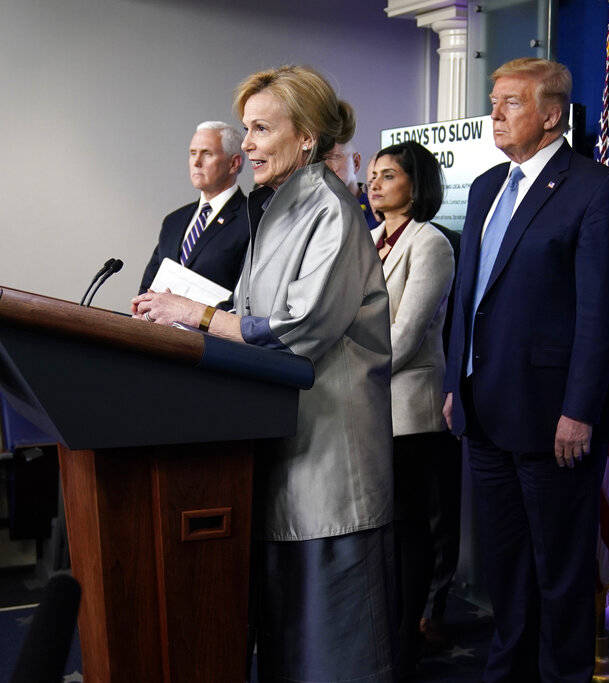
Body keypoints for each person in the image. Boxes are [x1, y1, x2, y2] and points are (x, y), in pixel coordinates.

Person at [132, 65, 395, 683]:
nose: (245, 144)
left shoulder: (330, 209)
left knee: (335, 649)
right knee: (288, 645)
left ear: (306, 137)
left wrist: (196, 314)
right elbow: (251, 317)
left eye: (259, 129)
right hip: (285, 446)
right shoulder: (277, 208)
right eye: (245, 129)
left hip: (332, 458)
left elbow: (300, 328)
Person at [442, 57, 609, 682]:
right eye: (494, 101)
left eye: (511, 103)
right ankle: (508, 673)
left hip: (553, 415)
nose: (494, 114)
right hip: (484, 407)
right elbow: (468, 296)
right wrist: (455, 382)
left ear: (551, 115)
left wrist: (579, 409)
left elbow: (600, 313)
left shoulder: (591, 187)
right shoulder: (484, 186)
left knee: (560, 569)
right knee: (505, 564)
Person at [366, 140, 454, 677]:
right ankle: (381, 637)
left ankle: (405, 643)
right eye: (373, 175)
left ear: (415, 185)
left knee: (408, 529)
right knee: (382, 531)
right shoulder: (370, 239)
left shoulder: (431, 242)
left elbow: (407, 331)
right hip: (368, 406)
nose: (375, 184)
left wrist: (356, 374)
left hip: (408, 410)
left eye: (389, 175)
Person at [138, 121, 249, 293]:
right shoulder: (173, 221)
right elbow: (147, 288)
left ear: (234, 163)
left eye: (207, 154)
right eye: (192, 153)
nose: (196, 162)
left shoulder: (251, 219)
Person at [323, 99, 378, 229]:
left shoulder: (378, 213)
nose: (325, 167)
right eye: (319, 159)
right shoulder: (314, 214)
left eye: (334, 157)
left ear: (356, 162)